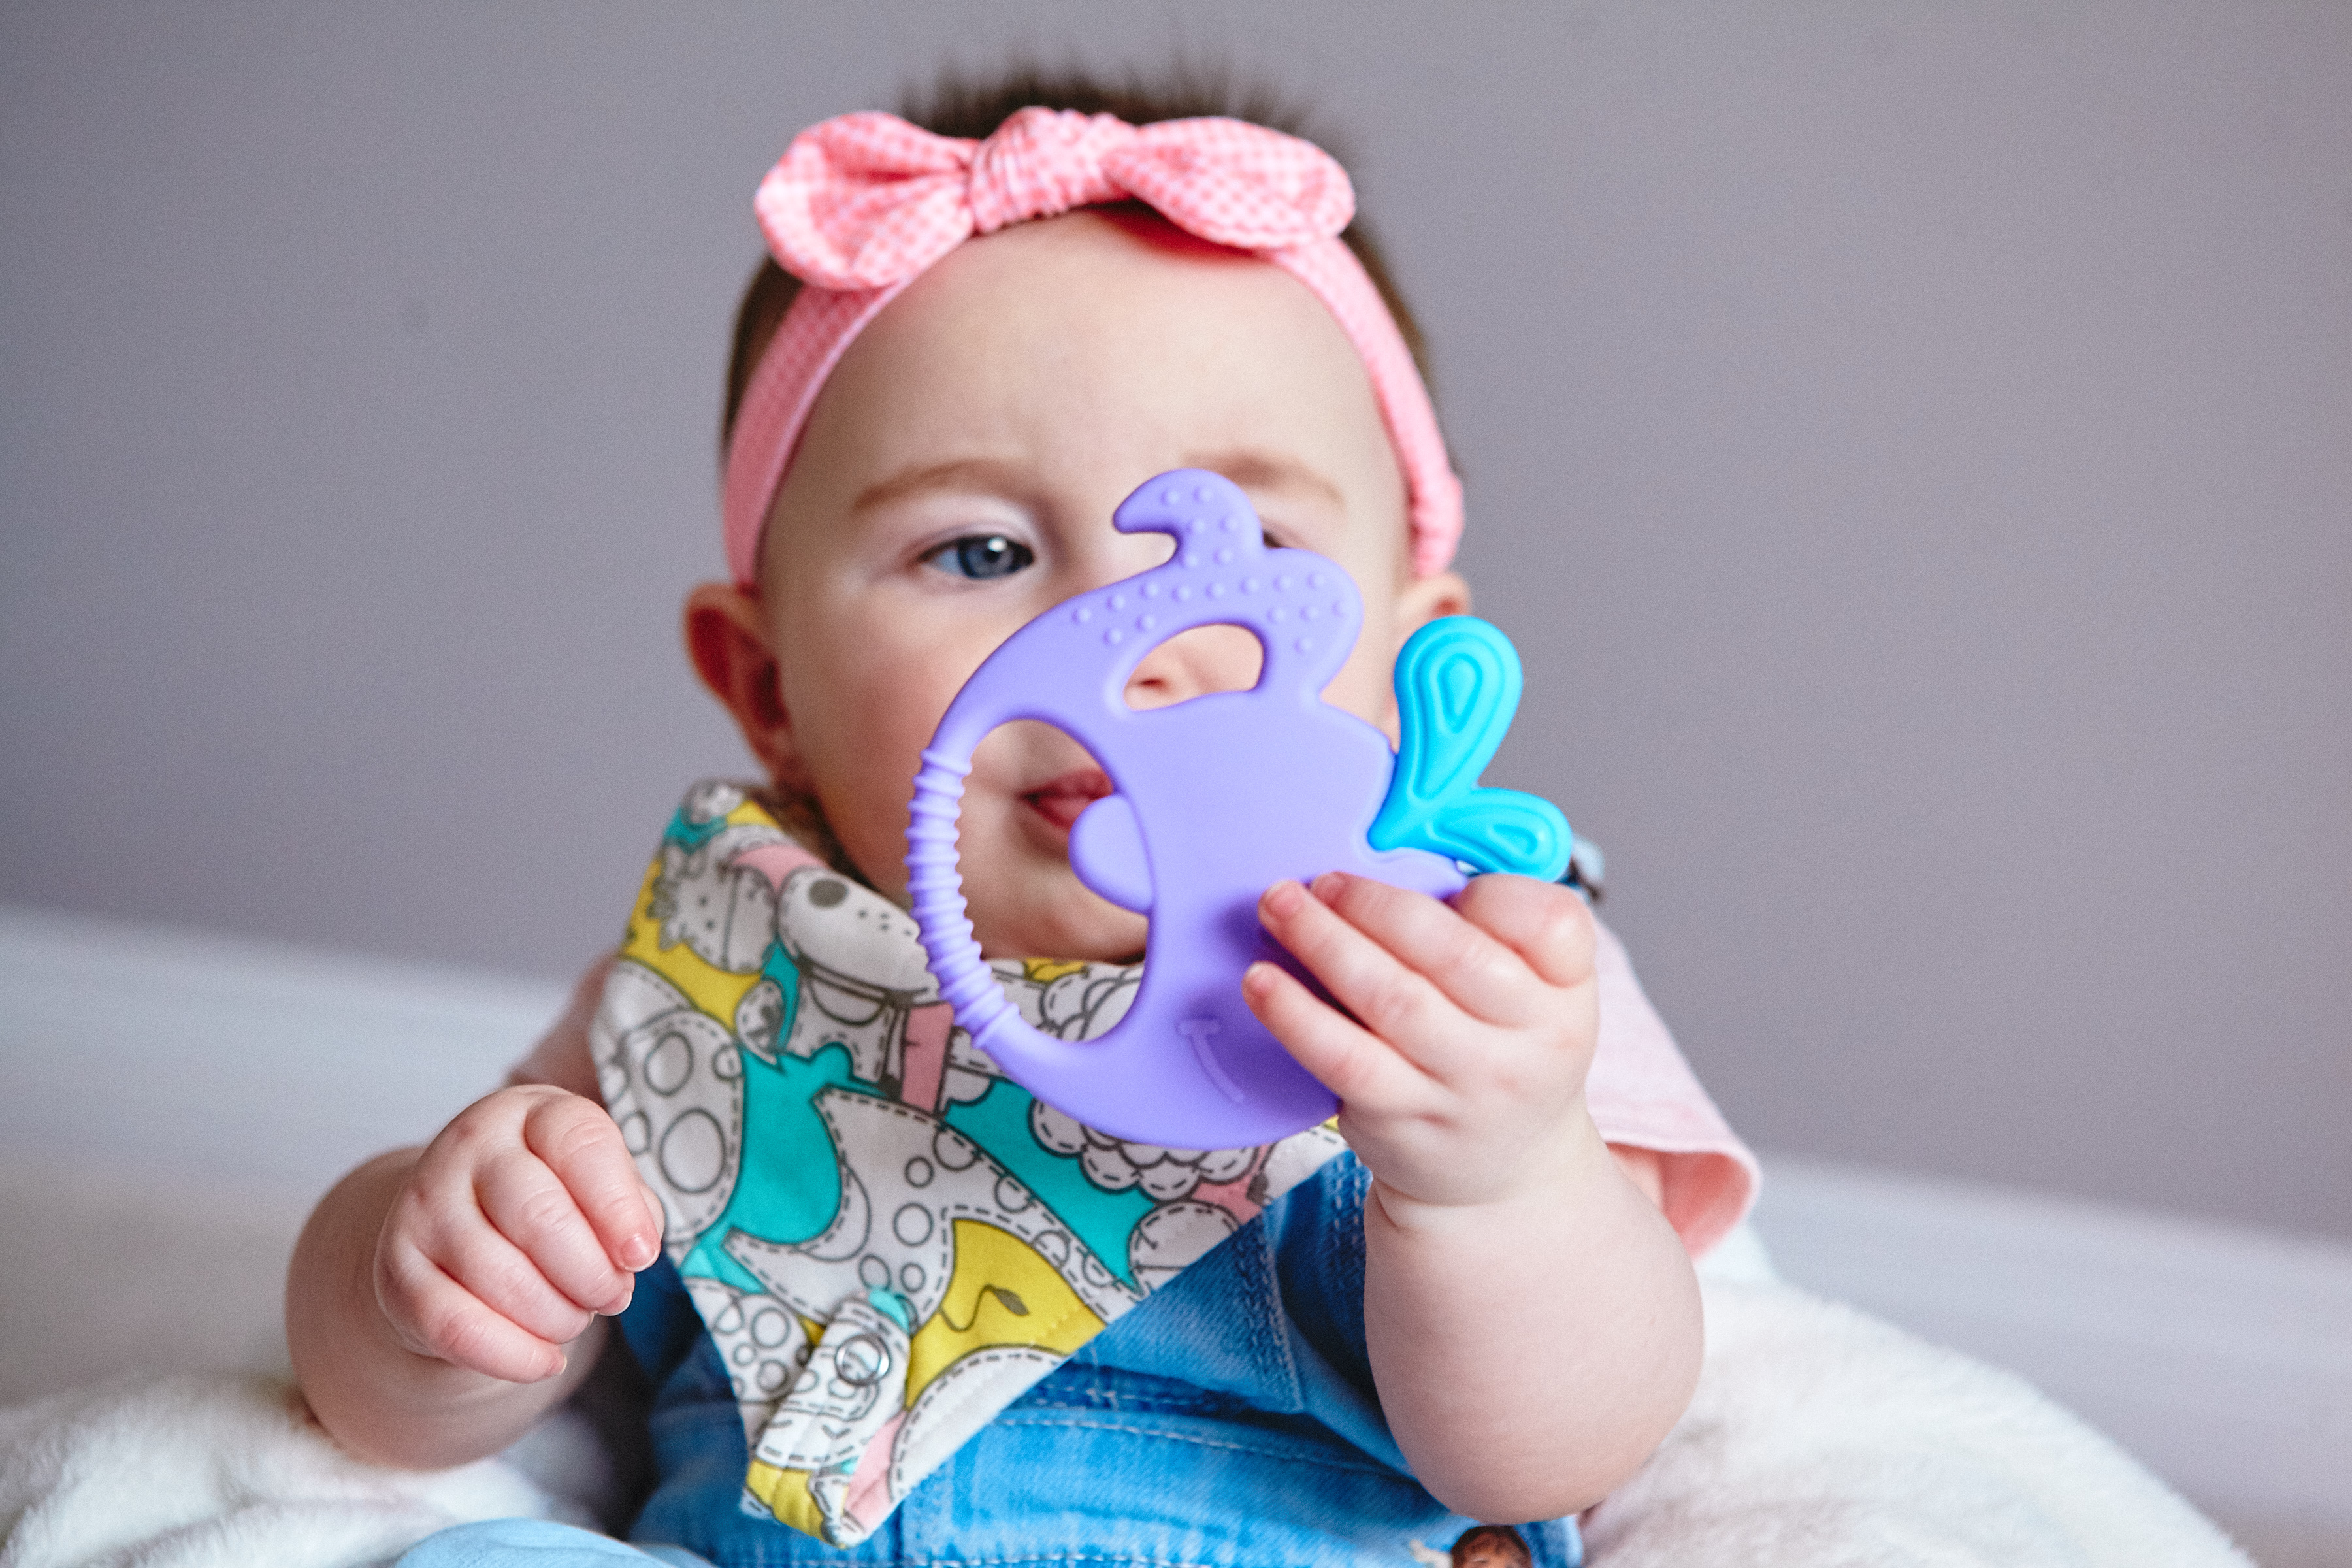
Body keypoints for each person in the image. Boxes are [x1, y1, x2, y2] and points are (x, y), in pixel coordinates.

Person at [285, 70, 1758, 1568]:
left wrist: (1497, 1182)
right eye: (981, 551)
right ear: (769, 685)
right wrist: (434, 1275)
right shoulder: (730, 961)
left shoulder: (1463, 975)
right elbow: (384, 1412)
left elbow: (1576, 1444)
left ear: (1408, 647)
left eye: (1244, 546)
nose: (1126, 642)